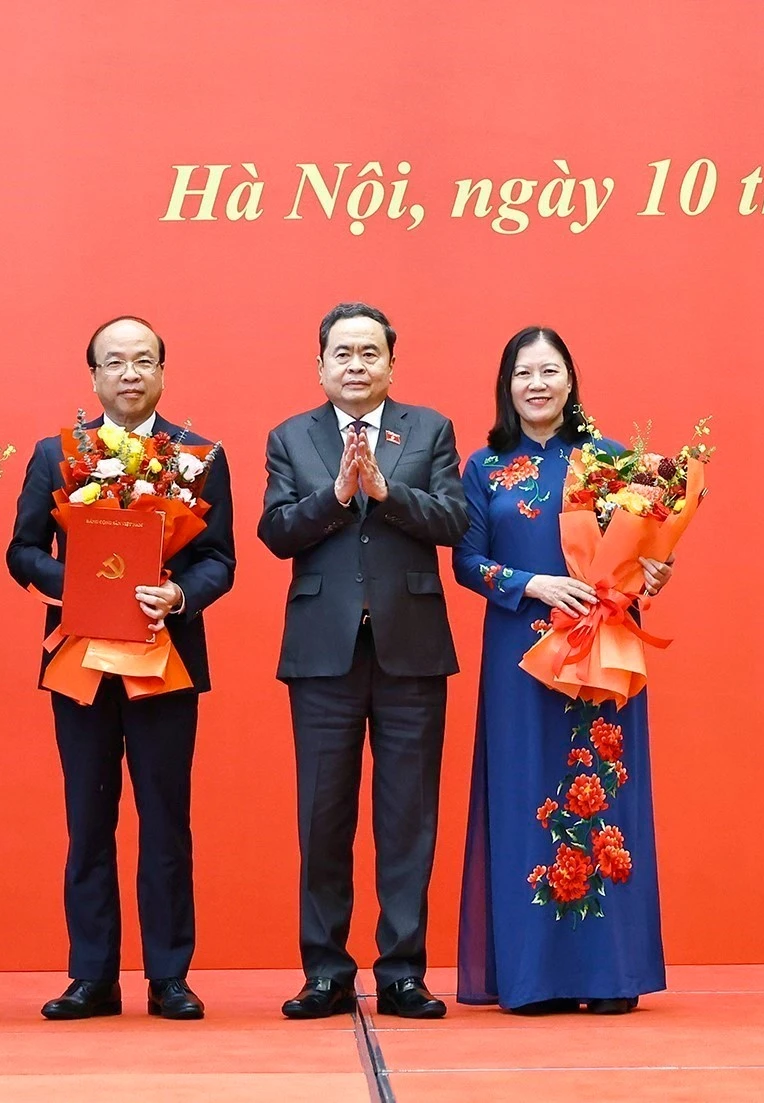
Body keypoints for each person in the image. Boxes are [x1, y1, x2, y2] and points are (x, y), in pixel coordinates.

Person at [7, 316, 234, 1021]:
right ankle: (92, 975)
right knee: (88, 818)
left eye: (143, 361)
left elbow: (219, 559)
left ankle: (170, 976)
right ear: (94, 376)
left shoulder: (198, 456)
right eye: (115, 362)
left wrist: (180, 593)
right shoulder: (58, 453)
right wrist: (76, 580)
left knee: (167, 818)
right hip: (81, 664)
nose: (129, 373)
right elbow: (21, 552)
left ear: (163, 372)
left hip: (163, 660)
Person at [258, 302, 468, 1020]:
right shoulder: (291, 436)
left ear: (391, 364)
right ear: (320, 365)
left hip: (411, 649)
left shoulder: (431, 429)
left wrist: (388, 491)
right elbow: (277, 532)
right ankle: (326, 969)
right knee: (323, 816)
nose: (356, 364)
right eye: (342, 353)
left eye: (369, 353)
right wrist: (338, 494)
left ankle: (404, 970)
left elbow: (454, 520)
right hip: (323, 654)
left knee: (408, 817)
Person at [453, 325, 671, 1014]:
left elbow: (643, 552)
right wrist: (533, 583)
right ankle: (533, 977)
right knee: (526, 798)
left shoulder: (610, 462)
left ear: (571, 381)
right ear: (506, 385)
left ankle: (609, 975)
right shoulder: (484, 467)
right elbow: (467, 561)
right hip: (521, 656)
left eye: (549, 370)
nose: (537, 384)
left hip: (601, 657)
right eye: (523, 373)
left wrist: (656, 570)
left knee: (603, 796)